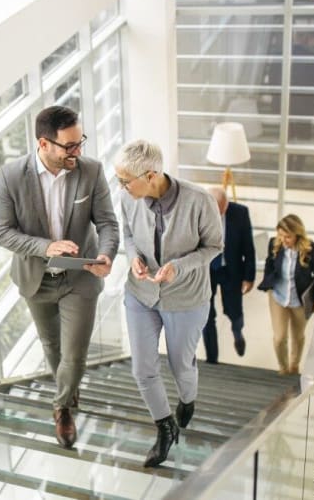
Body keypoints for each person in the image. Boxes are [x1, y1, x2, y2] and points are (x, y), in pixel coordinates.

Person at [0, 105, 119, 448]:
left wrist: (107, 254)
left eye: (80, 143)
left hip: (80, 279)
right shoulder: (11, 175)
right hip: (37, 279)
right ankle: (67, 394)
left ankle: (62, 408)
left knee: (75, 353)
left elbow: (107, 222)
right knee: (52, 346)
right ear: (43, 144)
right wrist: (46, 246)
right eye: (70, 146)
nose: (78, 152)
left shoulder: (90, 171)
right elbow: (2, 232)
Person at [114, 140, 222, 468]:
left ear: (151, 175)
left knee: (180, 365)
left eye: (124, 180)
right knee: (142, 369)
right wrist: (133, 258)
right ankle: (164, 426)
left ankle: (188, 399)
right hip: (141, 293)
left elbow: (214, 246)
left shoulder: (200, 200)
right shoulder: (128, 197)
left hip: (186, 298)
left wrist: (180, 266)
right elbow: (129, 236)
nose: (120, 186)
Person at [257, 214, 314, 375]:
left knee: (298, 336)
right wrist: (268, 282)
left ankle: (294, 366)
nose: (283, 239)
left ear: (297, 234)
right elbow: (269, 262)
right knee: (280, 337)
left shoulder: (312, 251)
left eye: (287, 236)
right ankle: (283, 367)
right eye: (280, 235)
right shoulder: (274, 244)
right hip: (278, 297)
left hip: (300, 300)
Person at [202, 187, 256, 363]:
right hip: (206, 271)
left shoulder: (240, 213)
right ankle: (212, 360)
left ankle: (237, 333)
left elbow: (249, 247)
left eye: (223, 209)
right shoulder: (198, 212)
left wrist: (249, 276)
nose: (220, 214)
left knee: (234, 311)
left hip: (230, 269)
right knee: (206, 315)